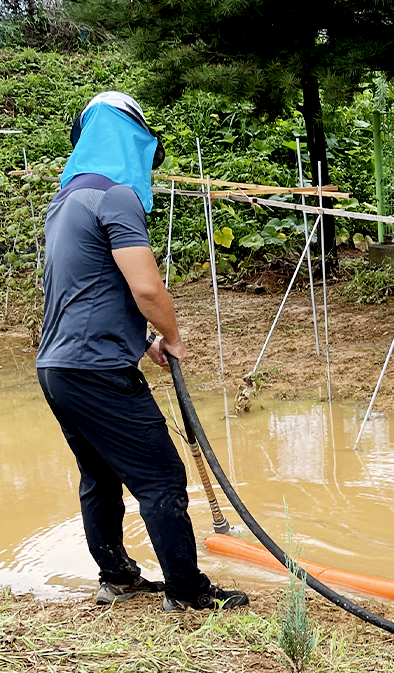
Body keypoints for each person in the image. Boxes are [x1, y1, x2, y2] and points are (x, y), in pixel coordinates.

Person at [36, 90, 248, 612]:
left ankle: (118, 576)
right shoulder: (115, 197)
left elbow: (87, 291)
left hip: (58, 367)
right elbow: (147, 289)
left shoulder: (64, 203)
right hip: (97, 371)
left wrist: (144, 340)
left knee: (100, 474)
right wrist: (171, 335)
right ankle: (188, 592)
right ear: (134, 143)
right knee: (162, 478)